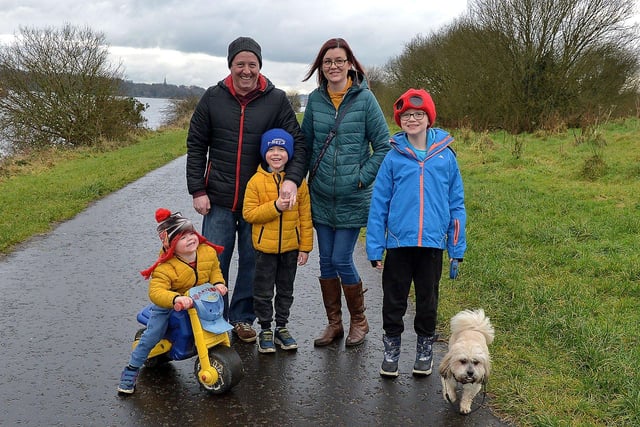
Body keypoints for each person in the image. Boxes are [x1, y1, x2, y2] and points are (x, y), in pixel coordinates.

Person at [186, 36, 308, 343]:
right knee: (213, 263)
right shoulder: (213, 97)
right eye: (240, 64)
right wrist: (197, 189)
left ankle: (242, 318)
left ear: (259, 67)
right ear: (230, 66)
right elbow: (196, 145)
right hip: (218, 200)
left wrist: (292, 179)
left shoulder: (276, 99)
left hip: (261, 203)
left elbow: (299, 145)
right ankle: (213, 321)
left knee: (254, 265)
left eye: (252, 64)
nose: (246, 70)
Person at [366, 88, 467, 378]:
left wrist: (456, 248)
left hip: (432, 245)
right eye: (407, 115)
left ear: (428, 118)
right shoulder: (393, 158)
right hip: (398, 244)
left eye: (418, 114)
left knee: (427, 300)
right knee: (393, 300)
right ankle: (392, 350)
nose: (412, 119)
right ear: (400, 120)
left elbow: (456, 203)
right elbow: (379, 204)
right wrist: (375, 248)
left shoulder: (446, 157)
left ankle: (424, 349)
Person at [301, 38, 391, 347]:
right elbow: (306, 144)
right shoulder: (315, 100)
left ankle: (360, 321)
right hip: (322, 195)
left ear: (350, 63)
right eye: (328, 62)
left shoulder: (365, 100)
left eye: (339, 60)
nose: (334, 66)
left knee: (341, 258)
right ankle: (334, 324)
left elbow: (383, 146)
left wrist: (361, 179)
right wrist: (299, 181)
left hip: (353, 196)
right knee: (326, 261)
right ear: (321, 67)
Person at [117, 208, 228, 394]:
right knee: (153, 334)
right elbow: (156, 291)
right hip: (171, 304)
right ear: (172, 244)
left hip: (198, 301)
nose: (190, 239)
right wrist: (176, 298)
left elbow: (214, 269)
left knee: (215, 320)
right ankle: (131, 370)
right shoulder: (165, 267)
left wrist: (218, 283)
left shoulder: (207, 252)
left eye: (191, 233)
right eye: (182, 238)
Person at [242, 128, 313, 353]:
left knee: (285, 290)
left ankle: (282, 326)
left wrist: (306, 247)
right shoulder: (255, 182)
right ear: (264, 153)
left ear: (289, 154)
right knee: (263, 291)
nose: (276, 154)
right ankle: (265, 328)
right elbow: (249, 214)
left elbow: (305, 215)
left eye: (281, 149)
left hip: (291, 247)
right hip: (265, 249)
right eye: (271, 149)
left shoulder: (298, 182)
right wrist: (275, 207)